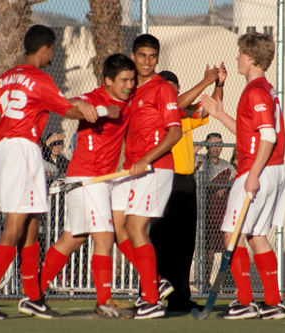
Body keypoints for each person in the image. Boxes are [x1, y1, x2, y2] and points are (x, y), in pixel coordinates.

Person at [0, 24, 99, 320]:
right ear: (45, 49)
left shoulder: (4, 78)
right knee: (15, 224)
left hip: (4, 149)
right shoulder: (40, 79)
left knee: (32, 223)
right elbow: (67, 109)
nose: (52, 56)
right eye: (52, 50)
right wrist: (96, 111)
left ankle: (32, 297)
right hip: (23, 151)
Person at [38, 53, 135, 319]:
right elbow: (63, 104)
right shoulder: (95, 97)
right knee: (105, 237)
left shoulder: (130, 99)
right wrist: (83, 104)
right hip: (87, 178)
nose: (129, 84)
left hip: (99, 181)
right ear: (108, 81)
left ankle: (34, 293)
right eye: (124, 80)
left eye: (132, 79)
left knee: (72, 239)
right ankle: (104, 302)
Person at [201, 32, 285, 320]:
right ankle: (273, 303)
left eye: (240, 53)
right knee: (256, 236)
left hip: (258, 169)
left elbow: (267, 135)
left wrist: (252, 174)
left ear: (250, 57)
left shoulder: (255, 91)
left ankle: (244, 302)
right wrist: (220, 114)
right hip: (272, 169)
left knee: (232, 234)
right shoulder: (265, 88)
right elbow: (249, 132)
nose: (237, 57)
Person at [111, 34, 182, 319]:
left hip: (156, 167)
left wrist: (145, 159)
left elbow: (174, 132)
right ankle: (154, 282)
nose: (147, 61)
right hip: (133, 168)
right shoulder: (130, 89)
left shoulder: (162, 89)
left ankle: (151, 299)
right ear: (132, 55)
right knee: (122, 228)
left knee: (136, 227)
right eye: (142, 55)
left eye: (152, 56)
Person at [148, 65, 227, 313]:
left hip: (186, 182)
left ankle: (180, 296)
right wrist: (205, 81)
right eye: (165, 88)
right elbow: (177, 103)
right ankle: (150, 295)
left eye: (173, 88)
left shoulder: (182, 113)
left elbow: (210, 108)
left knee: (185, 242)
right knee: (161, 240)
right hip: (164, 180)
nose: (170, 93)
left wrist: (219, 84)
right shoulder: (161, 109)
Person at [194, 132, 236, 289]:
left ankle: (223, 283)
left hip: (219, 215)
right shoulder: (199, 161)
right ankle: (202, 282)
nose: (216, 148)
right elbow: (190, 154)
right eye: (212, 144)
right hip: (202, 213)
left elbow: (235, 180)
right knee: (205, 250)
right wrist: (203, 142)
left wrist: (226, 187)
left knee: (223, 249)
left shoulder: (227, 167)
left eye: (219, 144)